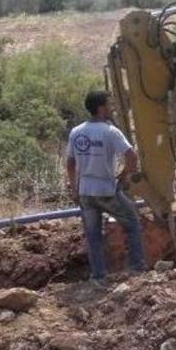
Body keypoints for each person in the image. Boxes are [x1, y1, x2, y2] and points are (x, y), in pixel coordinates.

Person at [66, 90, 146, 284]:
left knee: (93, 235)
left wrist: (74, 188)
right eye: (110, 104)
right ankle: (137, 269)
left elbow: (70, 163)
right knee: (133, 223)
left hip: (85, 191)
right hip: (106, 190)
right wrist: (123, 175)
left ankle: (99, 276)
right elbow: (132, 157)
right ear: (101, 108)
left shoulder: (76, 132)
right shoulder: (110, 131)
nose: (113, 108)